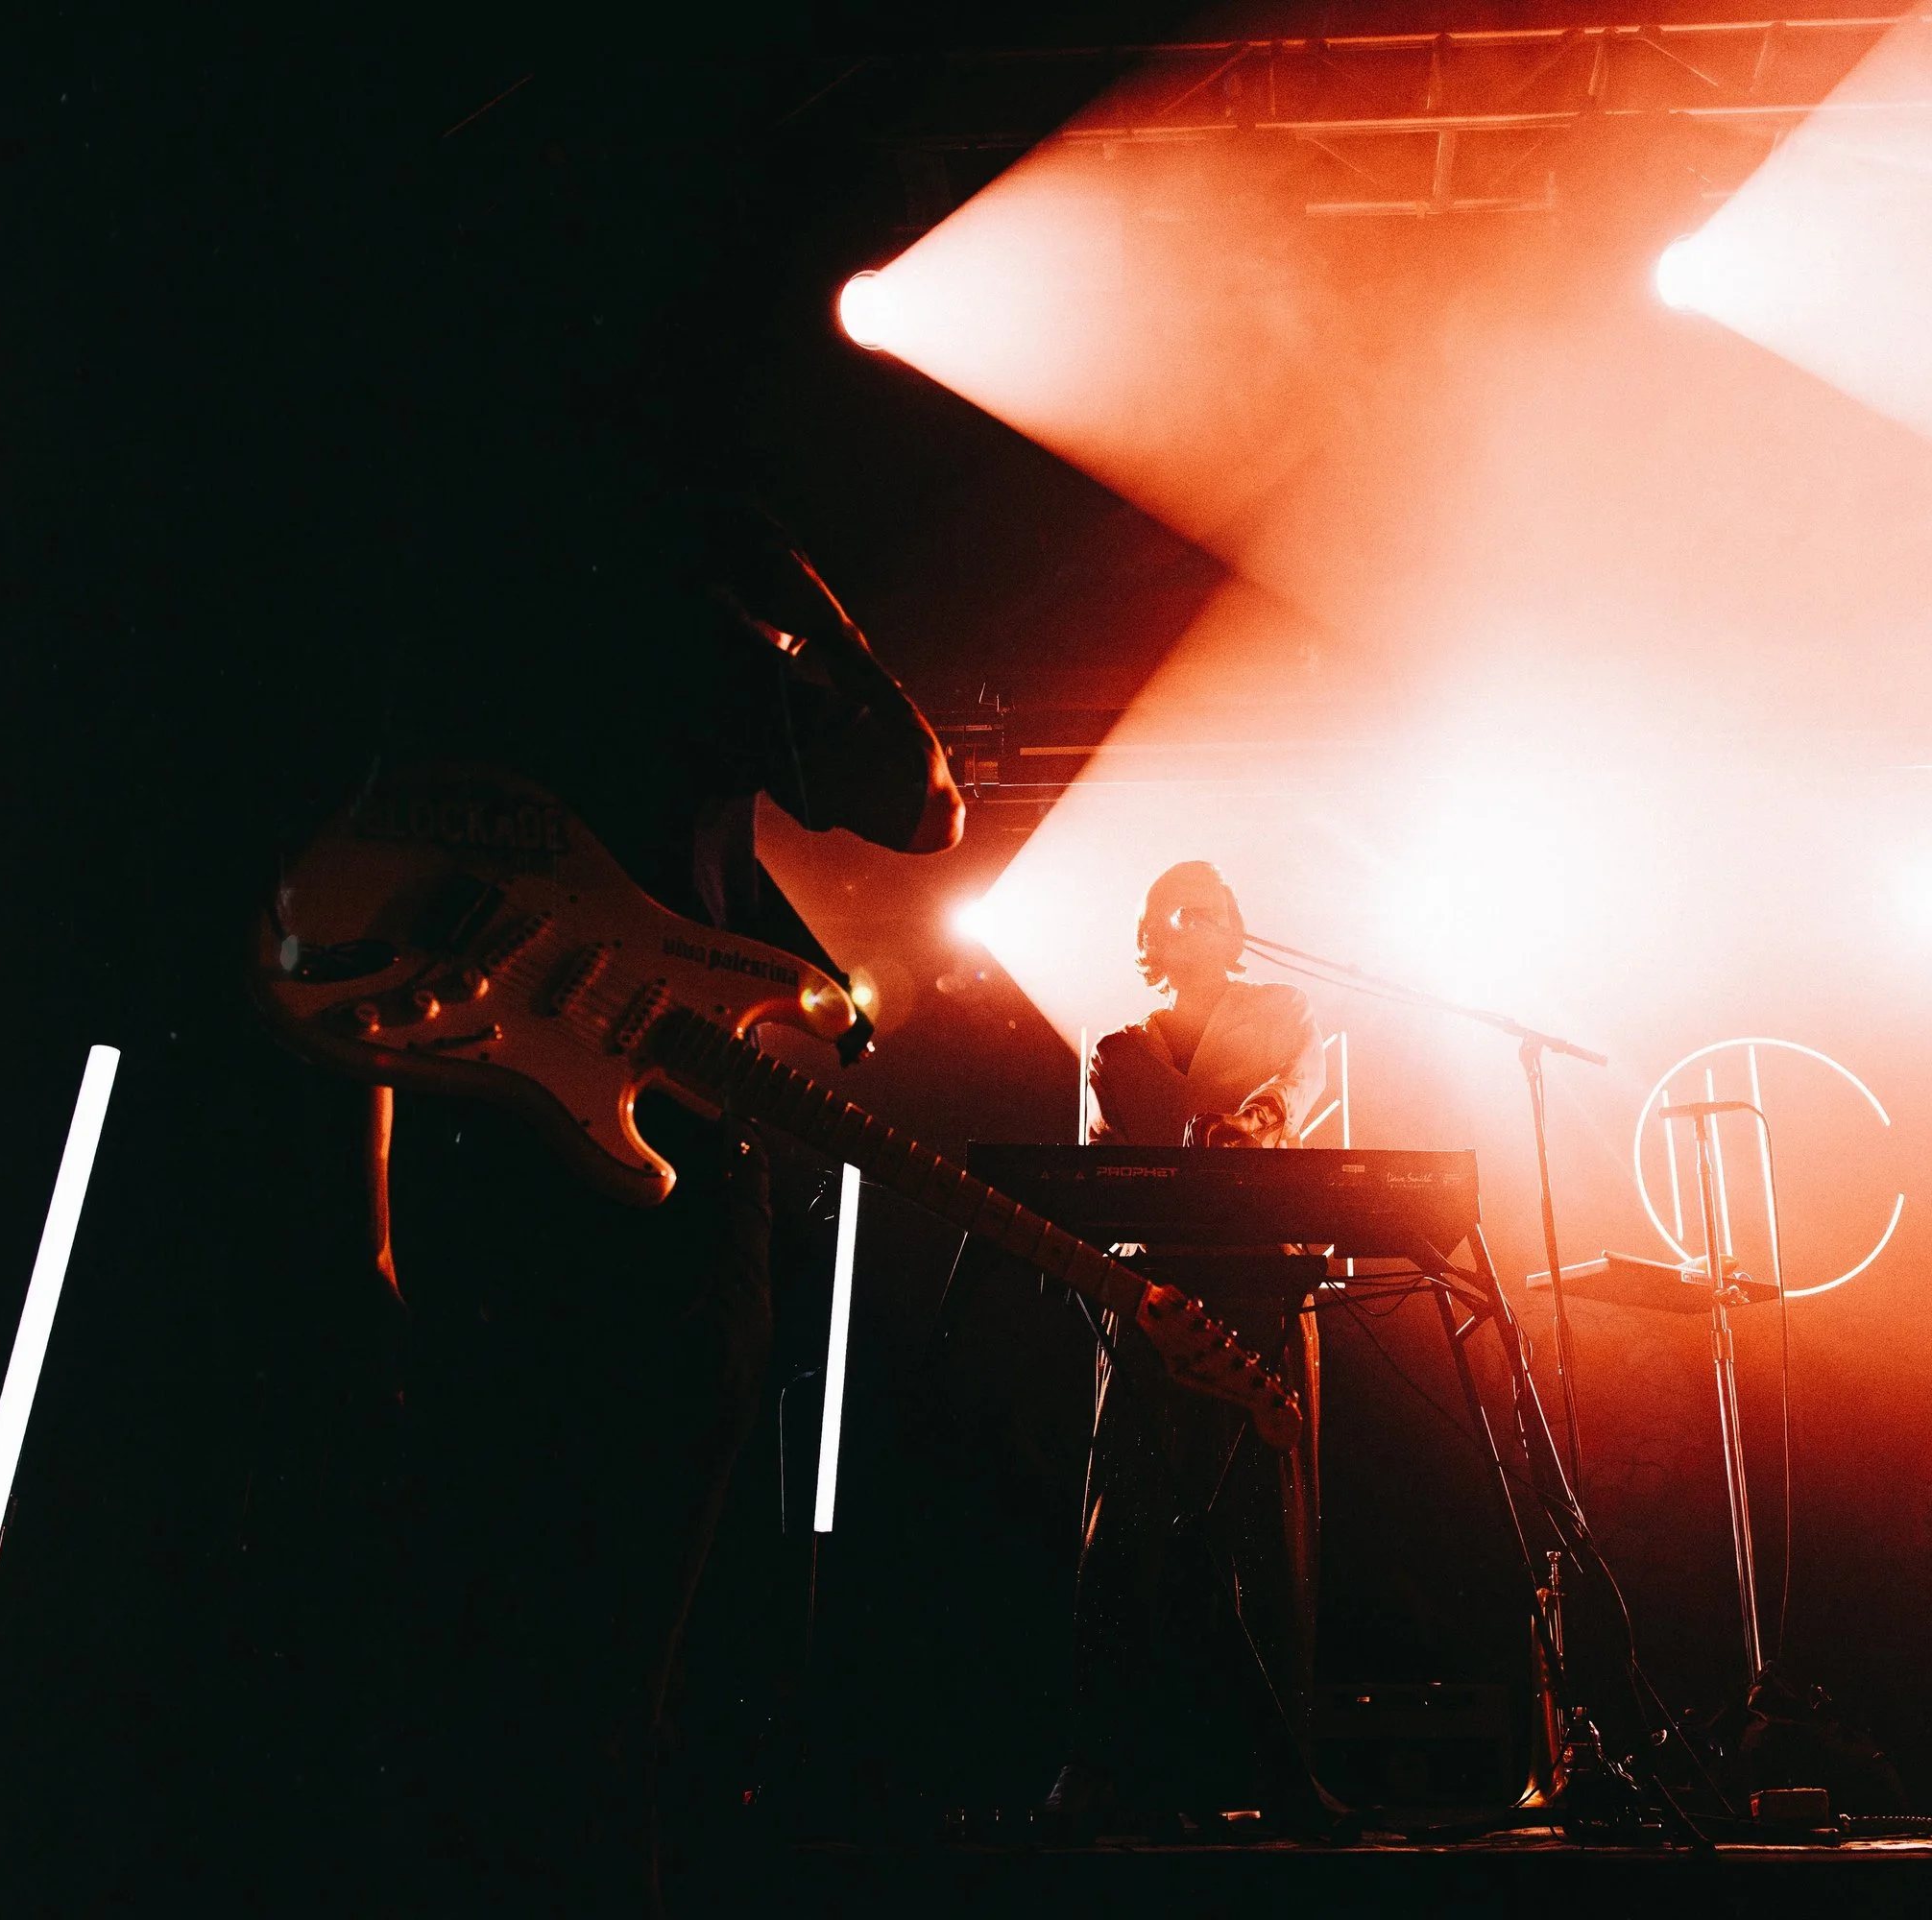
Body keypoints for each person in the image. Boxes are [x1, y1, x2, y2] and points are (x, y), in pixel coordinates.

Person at [337, 507, 962, 1914]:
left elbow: (355, 933)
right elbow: (927, 806)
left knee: (473, 1648)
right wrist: (821, 616)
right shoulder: (701, 638)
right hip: (654, 1207)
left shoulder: (436, 625)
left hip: (461, 1180)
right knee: (617, 1675)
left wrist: (368, 1217)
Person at [1048, 861, 1331, 1836]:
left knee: (1270, 1516)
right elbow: (1131, 1152)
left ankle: (1284, 1765)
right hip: (1152, 1286)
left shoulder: (1285, 1006)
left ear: (1233, 927)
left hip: (1261, 1270)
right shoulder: (1118, 1045)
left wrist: (1259, 1118)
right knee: (1123, 1510)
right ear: (1152, 936)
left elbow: (1295, 1086)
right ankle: (1094, 1762)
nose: (1192, 913)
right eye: (1174, 906)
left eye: (1209, 902)